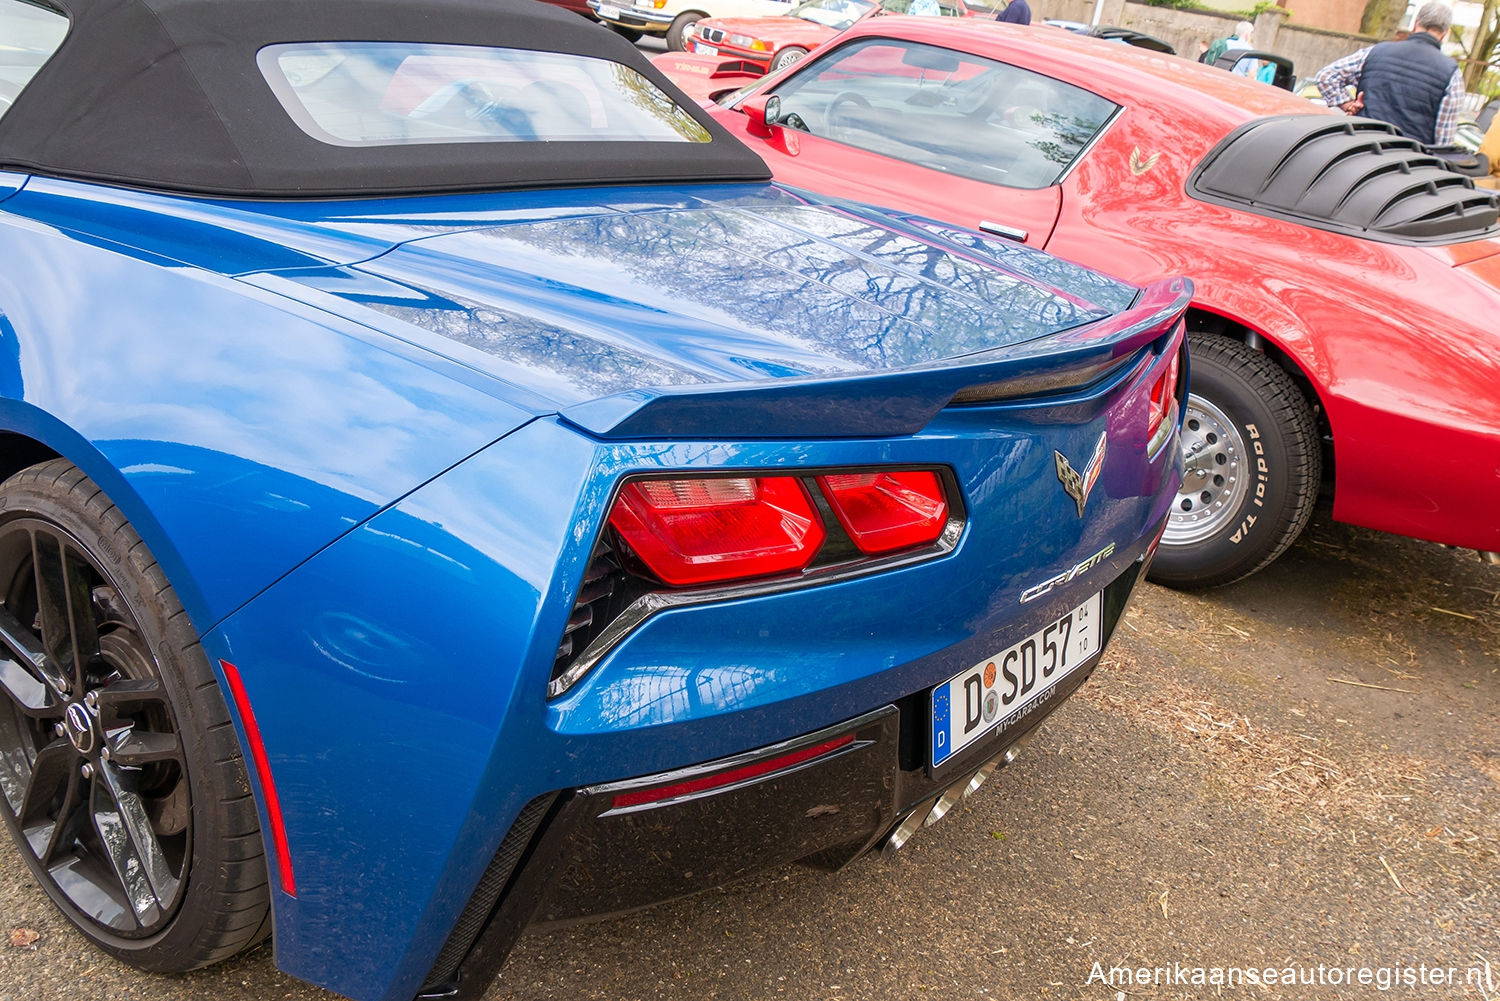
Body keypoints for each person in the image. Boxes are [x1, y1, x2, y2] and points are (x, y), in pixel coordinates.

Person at [1313, 1, 1465, 147]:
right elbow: (1443, 140)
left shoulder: (1375, 52)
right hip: (1408, 160)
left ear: (1415, 24)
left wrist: (1347, 104)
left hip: (1361, 146)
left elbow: (1326, 76)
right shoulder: (1451, 73)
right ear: (1445, 33)